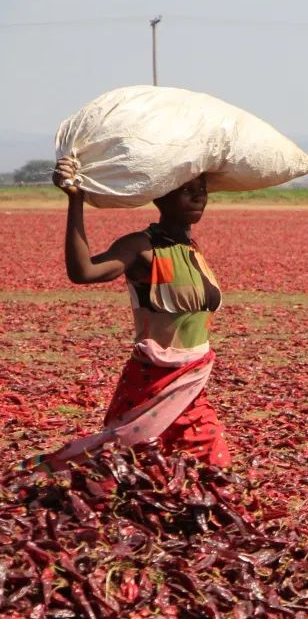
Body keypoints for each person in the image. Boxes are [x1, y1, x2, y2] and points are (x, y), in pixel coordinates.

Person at [19, 158, 231, 471]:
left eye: (202, 189)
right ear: (161, 197)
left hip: (191, 380)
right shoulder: (140, 247)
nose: (199, 197)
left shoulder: (191, 249)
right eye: (187, 190)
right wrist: (76, 201)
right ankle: (39, 474)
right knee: (126, 463)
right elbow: (84, 272)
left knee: (196, 469)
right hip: (154, 380)